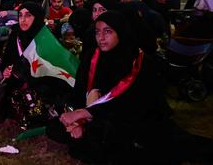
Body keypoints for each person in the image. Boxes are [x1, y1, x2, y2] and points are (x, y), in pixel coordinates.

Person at [49, 11, 213, 163]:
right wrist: (77, 119)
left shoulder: (139, 61)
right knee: (56, 127)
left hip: (131, 119)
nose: (101, 37)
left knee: (122, 141)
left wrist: (86, 114)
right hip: (99, 116)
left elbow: (135, 105)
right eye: (98, 32)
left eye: (108, 31)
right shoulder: (92, 56)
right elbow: (79, 91)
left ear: (120, 32)